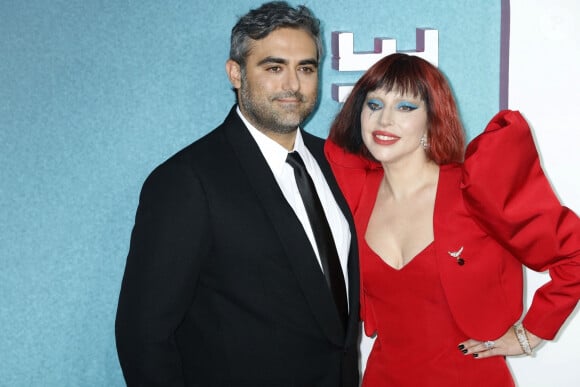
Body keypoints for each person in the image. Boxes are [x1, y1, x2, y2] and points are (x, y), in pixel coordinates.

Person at [115, 2, 360, 386]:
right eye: (274, 67)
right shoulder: (188, 180)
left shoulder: (334, 163)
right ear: (236, 73)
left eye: (306, 68)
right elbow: (143, 334)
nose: (292, 85)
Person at [325, 53, 580, 386]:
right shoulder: (354, 191)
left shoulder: (475, 190)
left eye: (405, 107)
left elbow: (573, 256)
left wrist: (530, 333)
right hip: (383, 378)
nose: (384, 120)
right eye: (374, 104)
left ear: (433, 119)